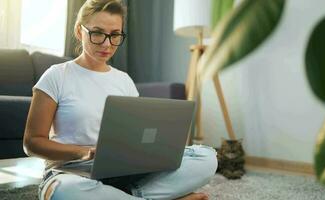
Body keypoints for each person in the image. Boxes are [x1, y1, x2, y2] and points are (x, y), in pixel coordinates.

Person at [23, 0, 217, 199]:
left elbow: (137, 135)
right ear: (80, 31)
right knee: (64, 192)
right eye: (98, 33)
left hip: (124, 172)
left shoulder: (124, 81)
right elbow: (32, 143)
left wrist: (150, 152)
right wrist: (84, 152)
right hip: (71, 173)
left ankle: (128, 195)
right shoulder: (56, 76)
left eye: (115, 35)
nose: (107, 44)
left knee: (207, 158)